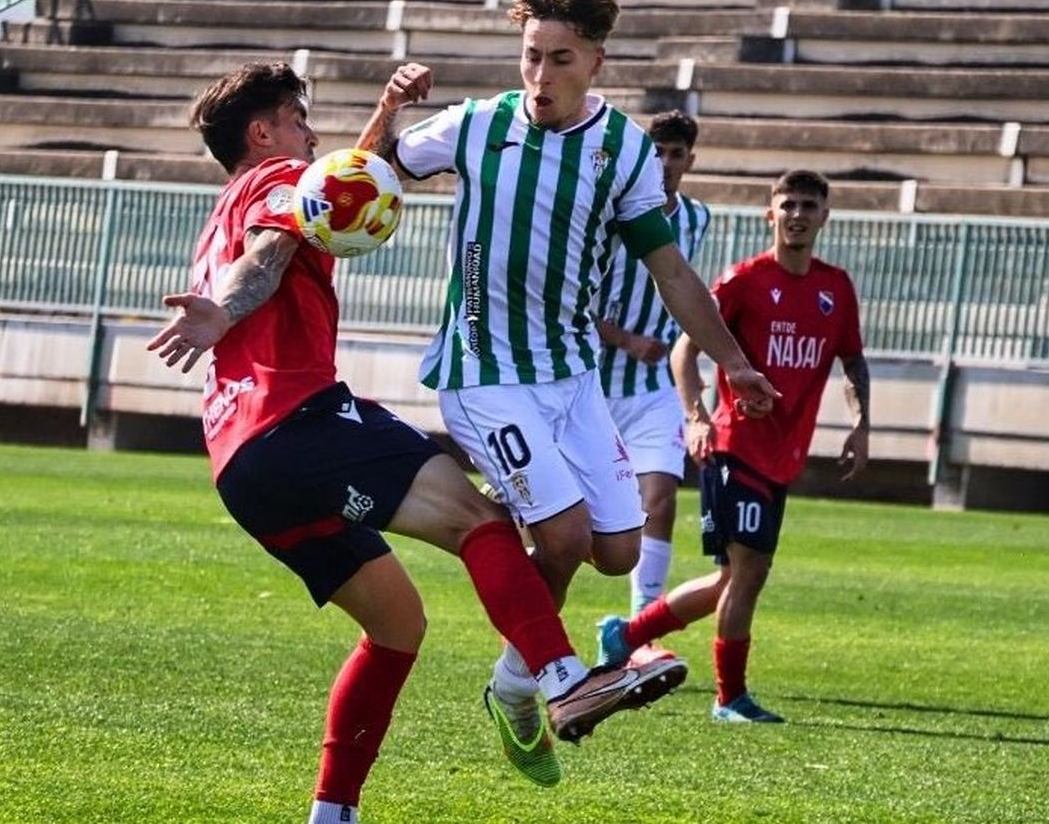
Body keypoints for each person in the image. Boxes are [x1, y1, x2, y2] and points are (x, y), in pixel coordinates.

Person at [146, 62, 666, 821]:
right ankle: (561, 679)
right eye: (297, 118)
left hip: (242, 466)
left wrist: (386, 115)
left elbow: (333, 197)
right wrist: (225, 314)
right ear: (263, 134)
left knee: (398, 625)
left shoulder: (231, 201)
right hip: (301, 421)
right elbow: (269, 256)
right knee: (481, 521)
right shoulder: (278, 180)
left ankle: (334, 813)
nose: (311, 136)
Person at [357, 0, 780, 776]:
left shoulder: (622, 149)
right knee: (564, 533)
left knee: (615, 552)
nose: (539, 76)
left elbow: (672, 271)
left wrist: (735, 363)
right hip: (482, 370)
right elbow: (362, 178)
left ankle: (513, 684)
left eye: (559, 59)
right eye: (529, 56)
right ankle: (554, 681)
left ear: (596, 63)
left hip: (571, 377)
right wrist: (389, 107)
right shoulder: (476, 126)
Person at [595, 169, 872, 724]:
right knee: (749, 573)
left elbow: (853, 360)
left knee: (731, 577)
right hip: (734, 445)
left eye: (808, 206)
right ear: (770, 214)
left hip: (783, 456)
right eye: (787, 204)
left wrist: (861, 424)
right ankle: (730, 698)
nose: (797, 214)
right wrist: (696, 417)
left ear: (824, 217)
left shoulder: (835, 288)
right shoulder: (745, 280)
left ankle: (625, 634)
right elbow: (683, 352)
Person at [593, 110, 711, 642]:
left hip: (653, 387)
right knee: (561, 520)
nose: (665, 163)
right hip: (590, 384)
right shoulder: (609, 218)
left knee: (660, 497)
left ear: (690, 160)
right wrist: (624, 339)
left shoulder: (697, 219)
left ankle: (642, 626)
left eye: (675, 154)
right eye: (657, 152)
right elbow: (569, 302)